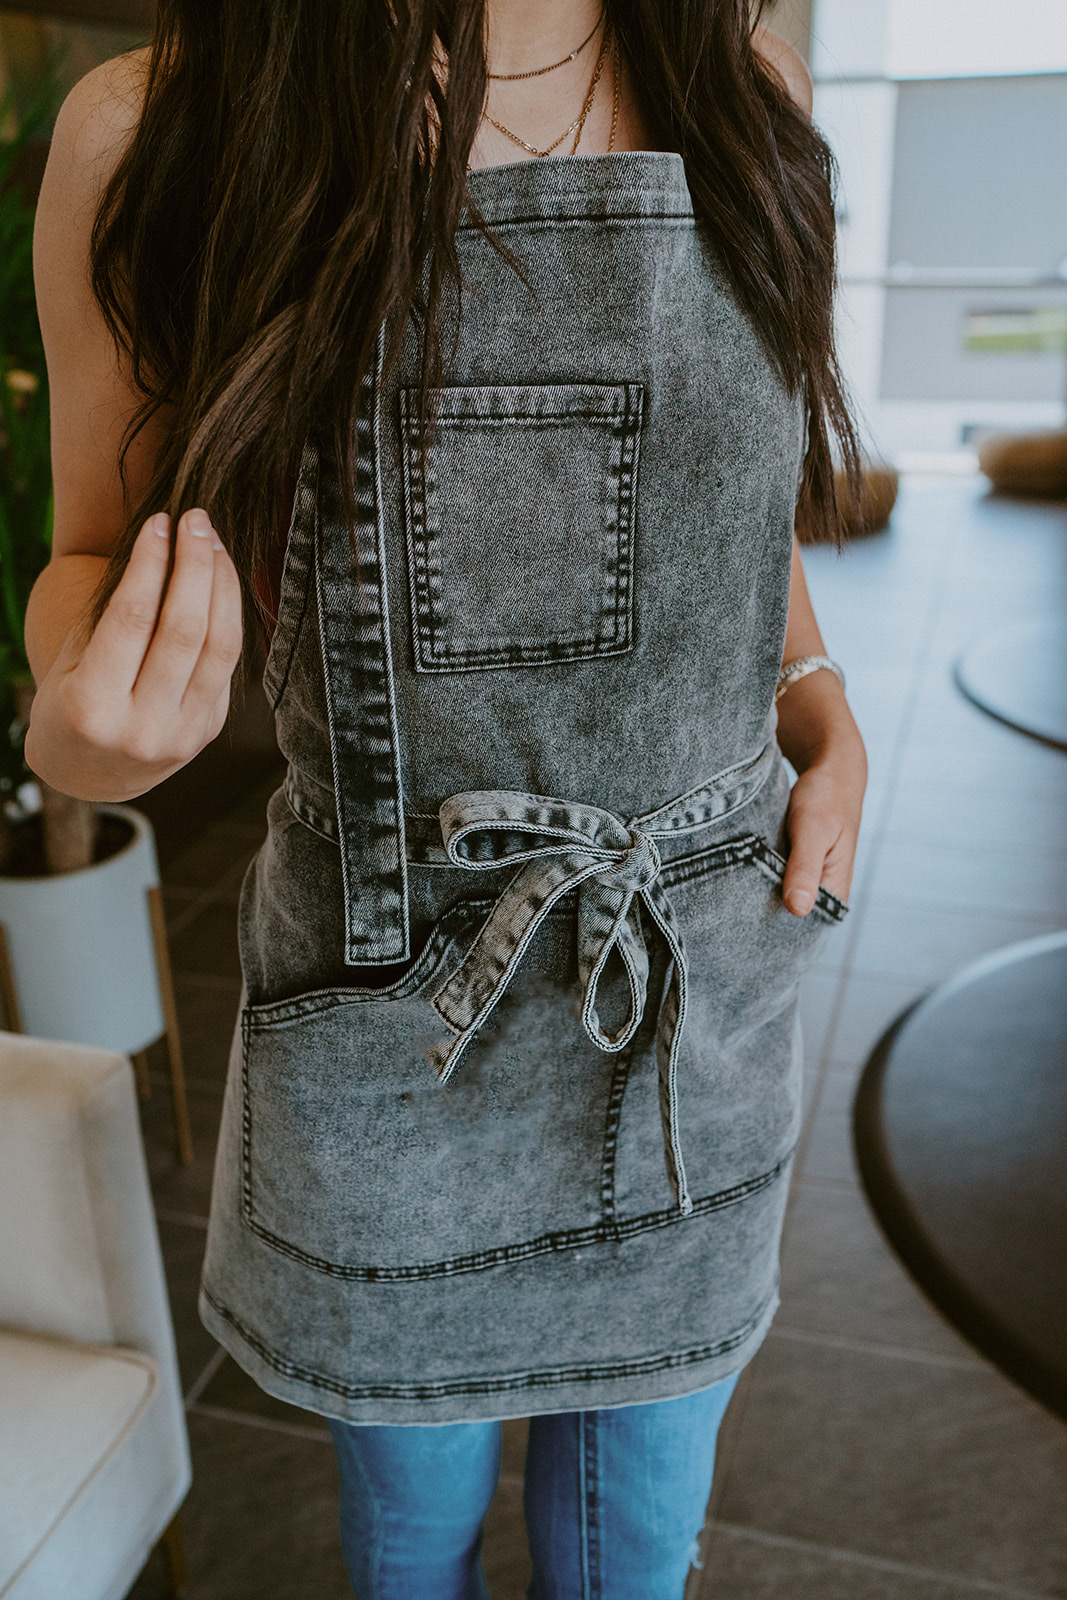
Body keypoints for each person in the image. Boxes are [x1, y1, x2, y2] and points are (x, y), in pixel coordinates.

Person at [24, 2, 868, 1595]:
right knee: (409, 1546)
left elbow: (738, 497)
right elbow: (86, 553)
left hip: (690, 990)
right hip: (395, 1007)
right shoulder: (161, 126)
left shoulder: (743, 83)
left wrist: (817, 702)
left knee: (635, 1554)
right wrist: (89, 735)